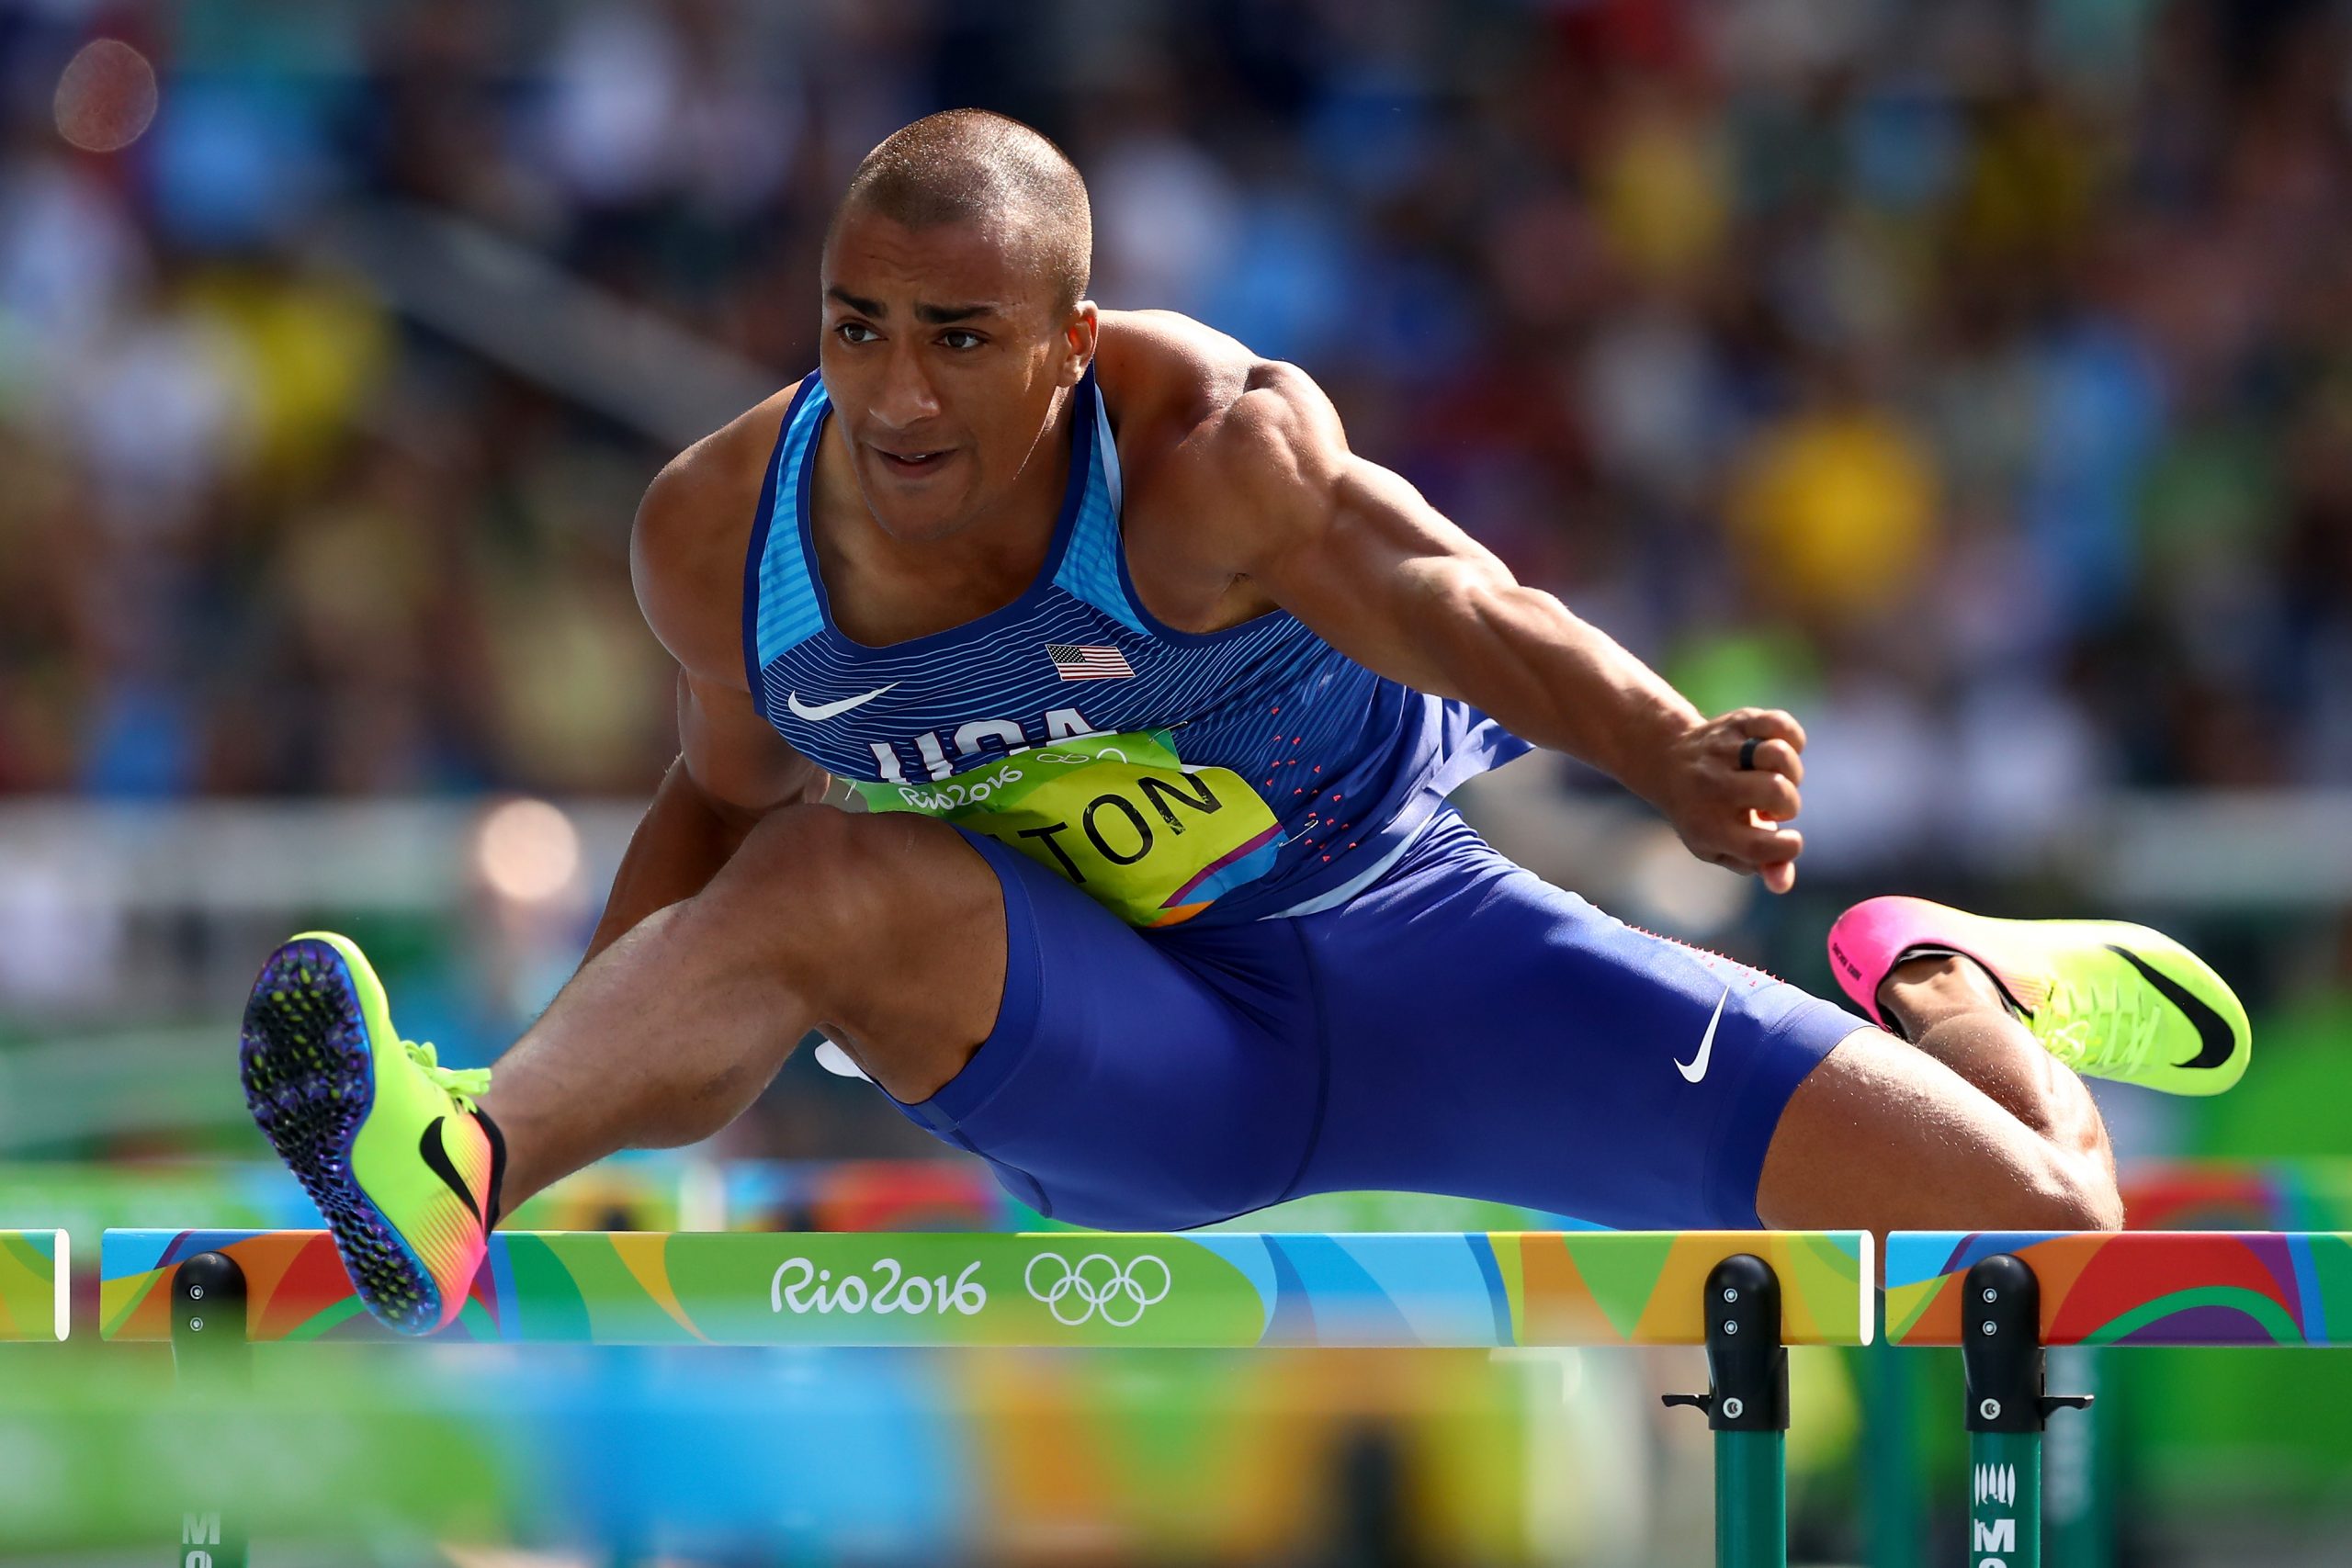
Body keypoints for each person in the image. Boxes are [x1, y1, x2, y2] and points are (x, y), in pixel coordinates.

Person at [236, 110, 2249, 1335]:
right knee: (822, 861)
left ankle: (1945, 980)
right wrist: (543, 1112)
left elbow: (1453, 599)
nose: (900, 397)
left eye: (960, 341)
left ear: (1070, 345)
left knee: (2044, 1231)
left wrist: (1658, 751)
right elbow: (721, 840)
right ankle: (454, 1149)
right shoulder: (718, 537)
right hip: (1121, 1044)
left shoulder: (1198, 453)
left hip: (1408, 948)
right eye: (858, 329)